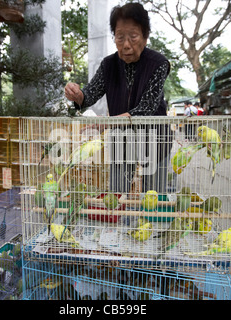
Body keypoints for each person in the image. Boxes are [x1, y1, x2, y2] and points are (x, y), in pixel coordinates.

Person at [64, 3, 171, 194]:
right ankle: (121, 222)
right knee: (117, 197)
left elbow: (146, 108)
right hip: (122, 141)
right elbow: (88, 95)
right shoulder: (108, 65)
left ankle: (152, 220)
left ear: (145, 37)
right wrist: (77, 95)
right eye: (120, 37)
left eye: (133, 36)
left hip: (155, 141)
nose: (126, 44)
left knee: (154, 199)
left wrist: (106, 123)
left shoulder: (159, 63)